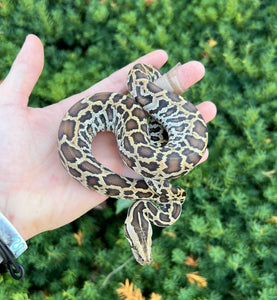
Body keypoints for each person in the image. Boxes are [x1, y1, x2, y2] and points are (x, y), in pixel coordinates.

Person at [0, 34, 217, 242]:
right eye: (136, 242)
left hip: (158, 135)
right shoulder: (158, 191)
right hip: (141, 127)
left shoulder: (161, 192)